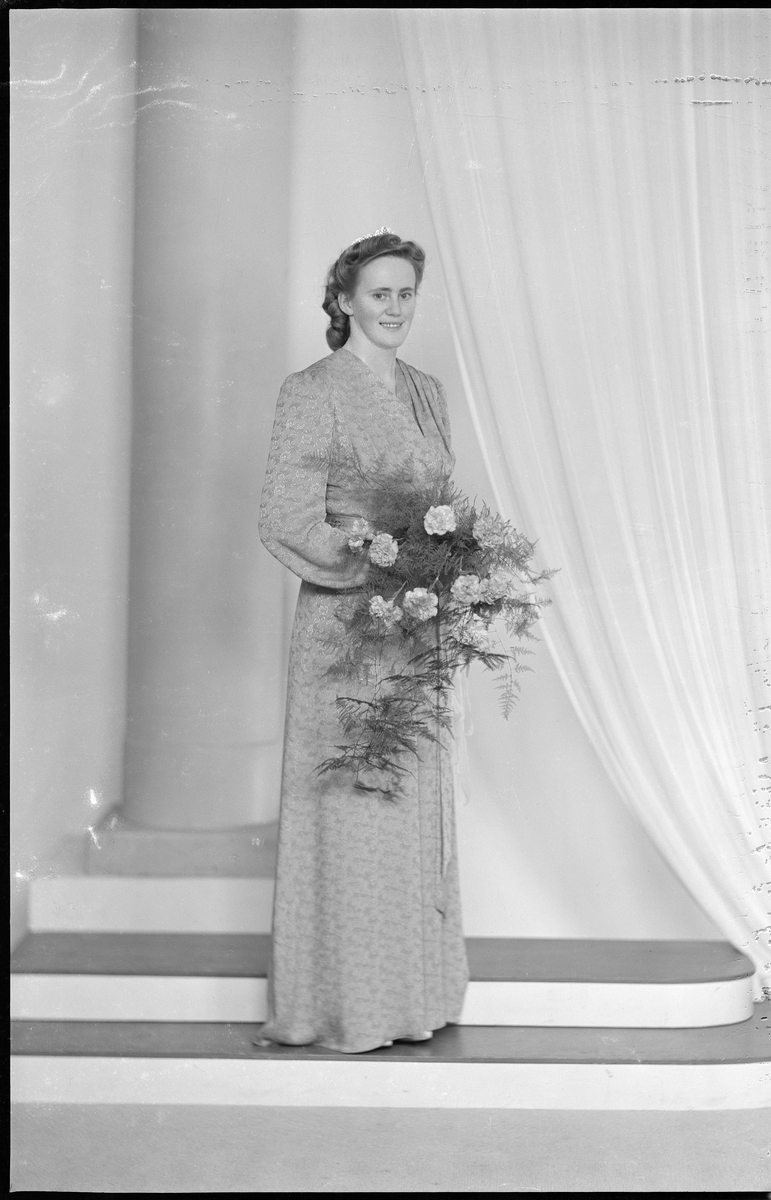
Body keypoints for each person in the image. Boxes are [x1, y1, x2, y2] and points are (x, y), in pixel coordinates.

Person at [254, 230, 469, 1054]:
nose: (395, 308)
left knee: (408, 805)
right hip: (346, 631)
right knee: (353, 805)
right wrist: (373, 556)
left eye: (406, 293)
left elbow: (440, 505)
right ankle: (347, 1006)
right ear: (343, 300)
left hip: (417, 627)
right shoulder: (312, 390)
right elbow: (285, 517)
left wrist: (447, 566)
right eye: (379, 293)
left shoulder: (427, 390)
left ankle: (413, 999)